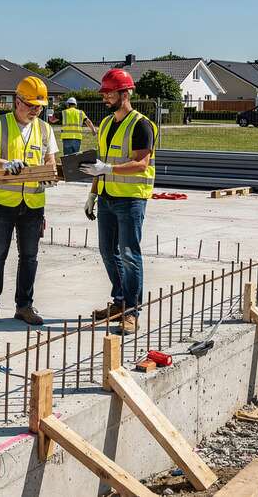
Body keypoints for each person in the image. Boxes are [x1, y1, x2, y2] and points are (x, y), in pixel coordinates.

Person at [0, 76, 58, 326]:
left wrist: (48, 176)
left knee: (30, 257)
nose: (36, 110)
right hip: (1, 205)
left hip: (32, 205)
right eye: (31, 105)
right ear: (17, 101)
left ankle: (24, 306)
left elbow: (50, 162)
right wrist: (4, 164)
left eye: (39, 106)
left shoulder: (45, 129)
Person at [81, 68, 158, 334]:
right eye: (104, 92)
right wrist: (93, 192)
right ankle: (120, 302)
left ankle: (132, 311)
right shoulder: (105, 124)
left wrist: (108, 170)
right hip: (107, 197)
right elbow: (100, 164)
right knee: (107, 251)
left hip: (131, 200)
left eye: (109, 92)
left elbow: (140, 163)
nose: (105, 97)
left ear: (125, 93)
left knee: (129, 255)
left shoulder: (141, 124)